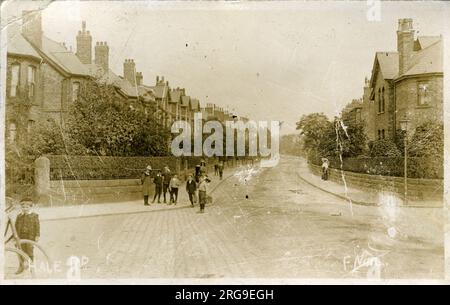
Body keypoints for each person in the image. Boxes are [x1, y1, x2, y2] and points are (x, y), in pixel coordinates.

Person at [15, 198, 40, 274]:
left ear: (31, 207)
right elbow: (15, 226)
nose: (25, 209)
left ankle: (31, 266)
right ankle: (21, 266)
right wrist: (15, 236)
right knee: (20, 251)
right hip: (20, 236)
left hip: (30, 237)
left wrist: (37, 235)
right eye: (23, 207)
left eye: (27, 207)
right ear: (21, 207)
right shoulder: (19, 216)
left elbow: (37, 226)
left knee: (30, 252)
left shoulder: (34, 216)